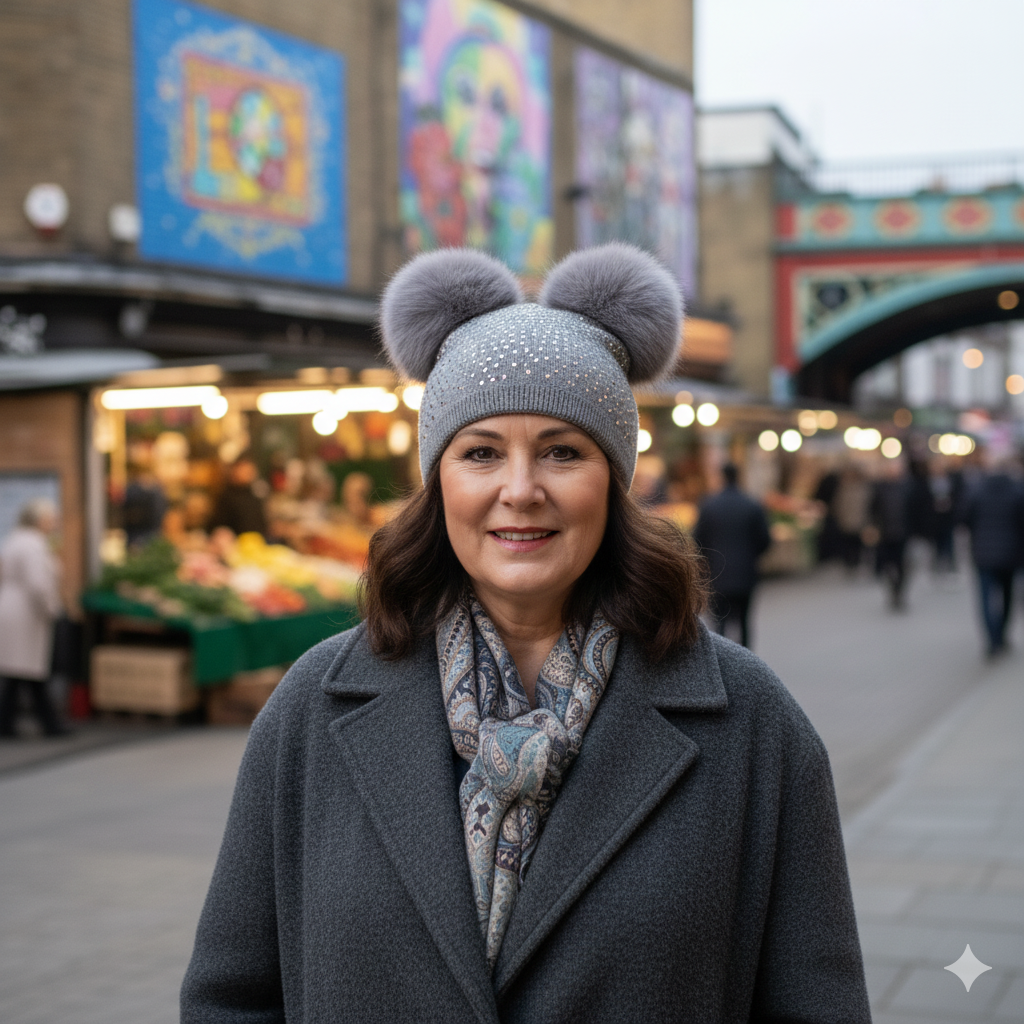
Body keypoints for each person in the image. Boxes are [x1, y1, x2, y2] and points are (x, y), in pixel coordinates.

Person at [181, 245, 870, 1023]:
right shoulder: (314, 707)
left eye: (561, 452)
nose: (520, 490)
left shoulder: (749, 722)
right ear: (438, 481)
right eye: (480, 453)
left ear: (613, 479)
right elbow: (230, 998)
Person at [0, 499, 68, 738]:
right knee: (26, 670)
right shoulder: (34, 545)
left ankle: (13, 723)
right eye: (50, 520)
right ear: (39, 521)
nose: (54, 524)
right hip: (26, 613)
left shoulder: (14, 540)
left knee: (19, 672)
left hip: (13, 609)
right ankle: (48, 724)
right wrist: (52, 609)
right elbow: (38, 584)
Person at [692, 462, 771, 648]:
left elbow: (698, 540)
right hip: (746, 573)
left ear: (722, 477)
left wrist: (707, 562)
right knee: (744, 622)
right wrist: (751, 556)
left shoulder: (709, 505)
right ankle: (746, 659)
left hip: (717, 574)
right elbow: (765, 539)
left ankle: (721, 661)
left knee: (719, 625)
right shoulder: (752, 504)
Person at [960, 456, 1024, 657]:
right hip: (1011, 553)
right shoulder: (1016, 490)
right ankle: (1001, 634)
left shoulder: (976, 489)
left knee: (986, 597)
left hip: (983, 552)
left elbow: (964, 518)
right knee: (1007, 595)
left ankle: (992, 639)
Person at [870, 459, 915, 610]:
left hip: (903, 533)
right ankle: (892, 589)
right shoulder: (879, 487)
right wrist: (873, 527)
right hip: (885, 533)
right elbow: (873, 509)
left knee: (902, 565)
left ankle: (899, 591)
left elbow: (915, 510)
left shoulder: (908, 487)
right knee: (886, 565)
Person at [209, 453, 269, 538]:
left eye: (250, 470)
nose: (247, 473)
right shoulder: (226, 496)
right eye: (244, 469)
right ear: (234, 470)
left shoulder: (255, 493)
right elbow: (219, 527)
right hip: (235, 542)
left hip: (258, 541)